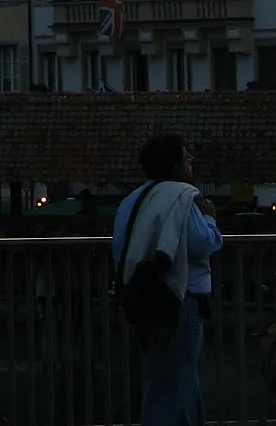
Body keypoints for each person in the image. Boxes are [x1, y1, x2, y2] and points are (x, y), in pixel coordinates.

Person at [113, 133, 219, 426]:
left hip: (141, 298)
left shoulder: (131, 201)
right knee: (171, 387)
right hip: (178, 298)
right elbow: (202, 243)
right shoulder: (183, 197)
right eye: (186, 157)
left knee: (174, 377)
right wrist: (210, 218)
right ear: (174, 167)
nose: (191, 162)